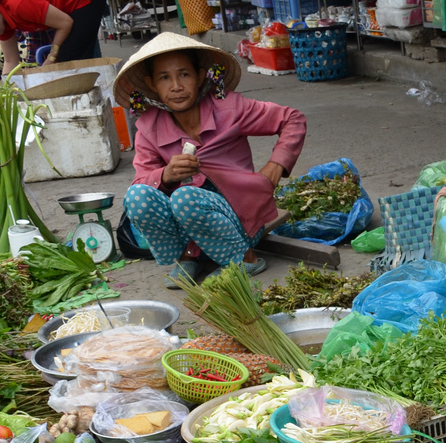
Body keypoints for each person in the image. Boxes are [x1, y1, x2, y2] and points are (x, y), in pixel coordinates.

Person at [117, 32, 305, 287]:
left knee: (186, 197)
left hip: (240, 219)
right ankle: (187, 256)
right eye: (165, 78)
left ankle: (245, 258)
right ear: (152, 84)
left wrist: (275, 167)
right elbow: (141, 180)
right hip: (189, 226)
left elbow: (292, 119)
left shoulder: (230, 108)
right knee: (137, 197)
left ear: (200, 75)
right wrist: (166, 175)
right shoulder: (148, 128)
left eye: (184, 74)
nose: (176, 86)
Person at [0, 0, 107, 74]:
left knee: (69, 64)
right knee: (62, 65)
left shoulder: (18, 5)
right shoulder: (1, 21)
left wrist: (51, 58)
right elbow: (10, 61)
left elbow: (65, 23)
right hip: (64, 15)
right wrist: (5, 89)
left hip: (82, 4)